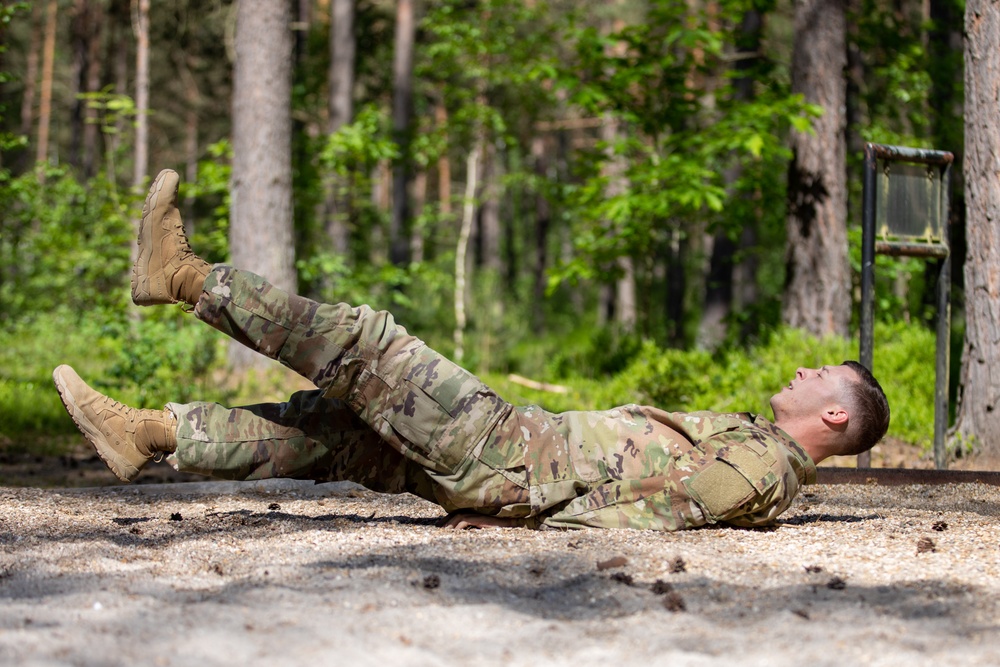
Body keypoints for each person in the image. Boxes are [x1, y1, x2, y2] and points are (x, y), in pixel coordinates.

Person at [52, 169, 890, 531]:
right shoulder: (765, 448)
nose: (807, 367)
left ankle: (183, 276)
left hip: (514, 458)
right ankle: (148, 435)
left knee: (363, 345)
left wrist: (529, 517)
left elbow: (672, 509)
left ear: (833, 413)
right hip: (515, 464)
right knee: (328, 430)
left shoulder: (768, 465)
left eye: (824, 375)